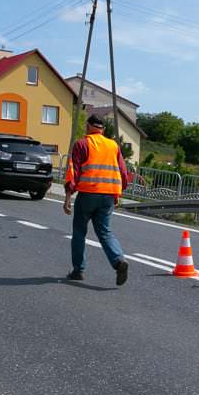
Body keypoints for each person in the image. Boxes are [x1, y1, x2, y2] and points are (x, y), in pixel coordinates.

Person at [63, 114, 130, 285]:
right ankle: (118, 261)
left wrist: (68, 197)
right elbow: (123, 172)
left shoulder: (82, 144)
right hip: (108, 195)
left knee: (79, 232)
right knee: (105, 232)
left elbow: (73, 172)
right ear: (103, 129)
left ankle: (78, 270)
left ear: (87, 126)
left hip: (87, 194)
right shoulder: (113, 145)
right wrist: (117, 194)